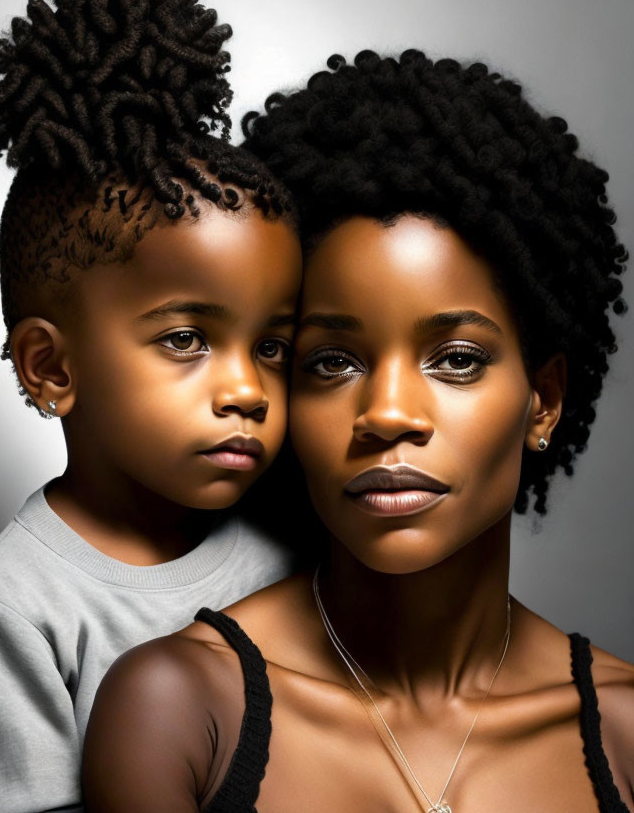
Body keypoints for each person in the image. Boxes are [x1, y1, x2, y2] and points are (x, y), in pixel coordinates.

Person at [83, 49, 634, 812]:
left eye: (457, 359)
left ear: (542, 400)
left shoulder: (624, 733)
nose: (388, 414)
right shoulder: (181, 709)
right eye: (333, 361)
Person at [0, 0, 301, 813]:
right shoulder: (11, 605)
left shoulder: (290, 546)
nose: (248, 390)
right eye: (187, 340)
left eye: (275, 346)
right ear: (52, 370)